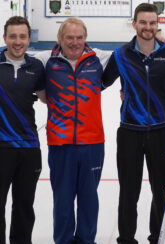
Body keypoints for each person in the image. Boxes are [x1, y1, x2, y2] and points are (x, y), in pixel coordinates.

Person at [102, 3, 165, 244]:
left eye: (152, 23)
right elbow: (101, 82)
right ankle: (126, 239)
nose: (148, 27)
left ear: (158, 25)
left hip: (161, 131)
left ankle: (159, 237)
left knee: (161, 192)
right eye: (143, 22)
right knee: (128, 192)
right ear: (134, 23)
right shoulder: (121, 54)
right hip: (129, 133)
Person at [35, 17, 112, 244]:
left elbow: (130, 57)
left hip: (93, 143)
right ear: (60, 38)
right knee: (63, 201)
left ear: (85, 39)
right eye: (69, 37)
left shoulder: (99, 58)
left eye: (79, 37)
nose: (75, 42)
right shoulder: (44, 60)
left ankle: (87, 240)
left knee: (89, 200)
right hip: (60, 145)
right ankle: (63, 240)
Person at [0, 16, 45, 244]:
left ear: (29, 39)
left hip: (29, 148)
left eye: (22, 36)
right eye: (13, 36)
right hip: (1, 148)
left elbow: (47, 97)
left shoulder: (36, 66)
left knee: (24, 207)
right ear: (5, 38)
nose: (18, 41)